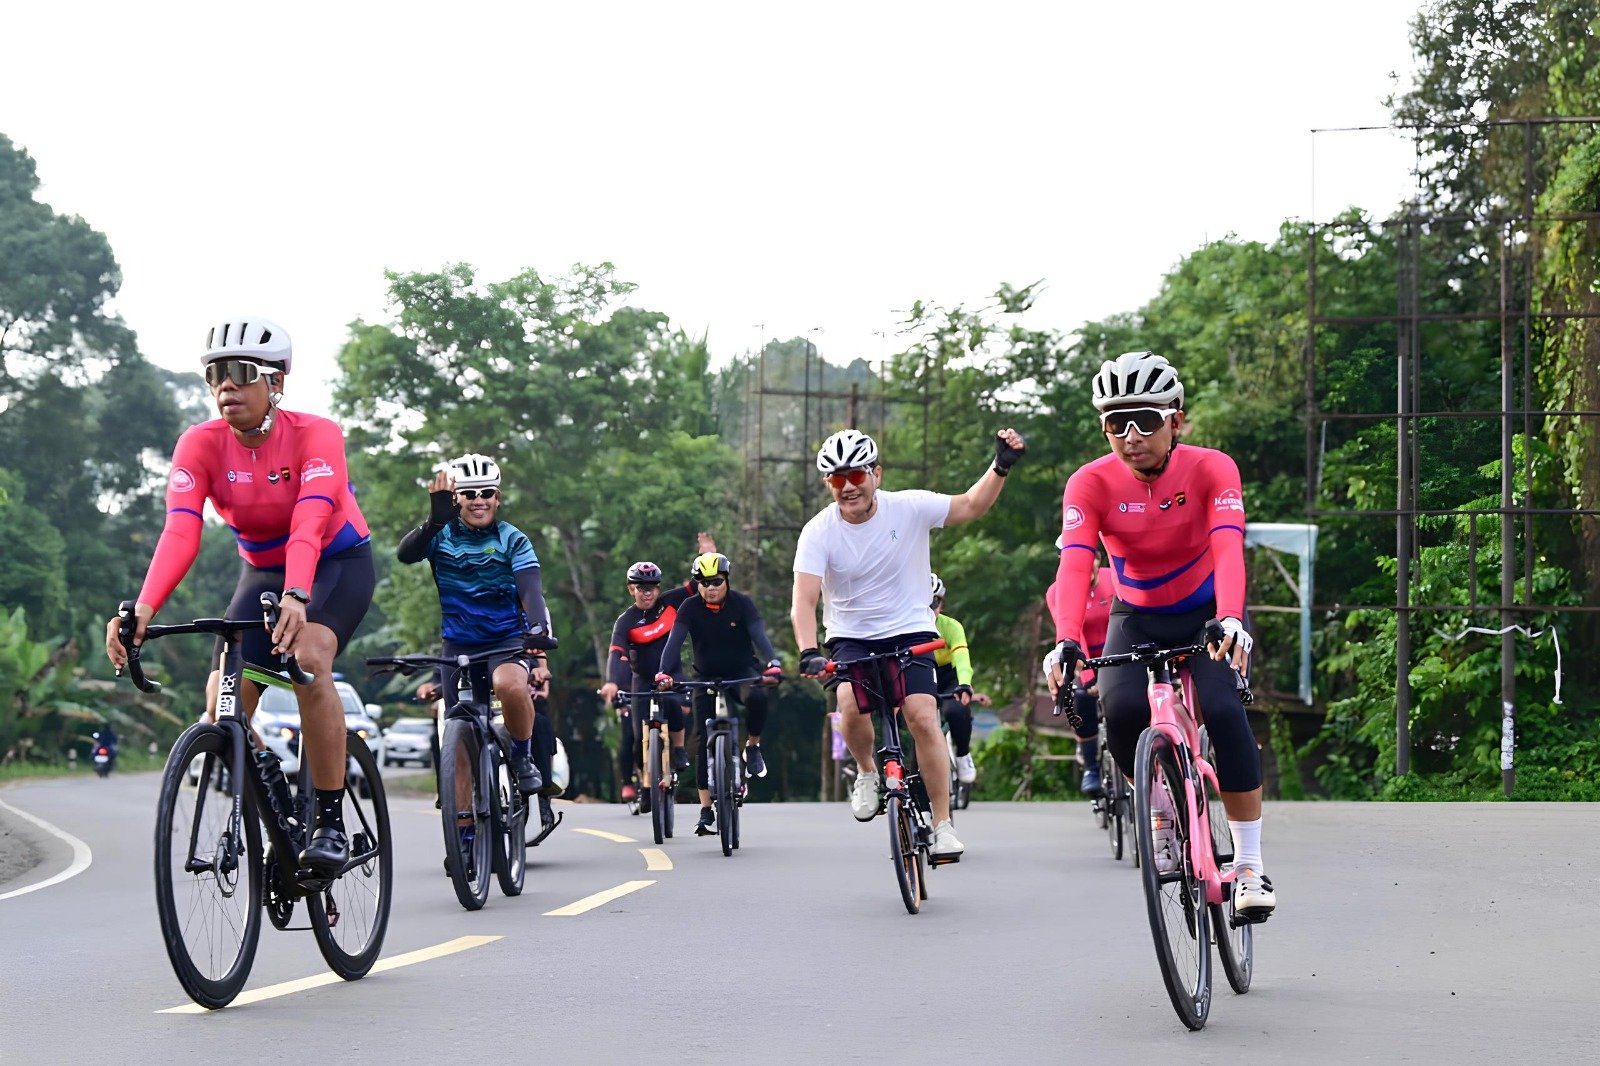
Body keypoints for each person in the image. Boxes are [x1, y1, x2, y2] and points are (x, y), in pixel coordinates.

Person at [105, 318, 374, 878]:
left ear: (276, 382)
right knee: (222, 702)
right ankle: (273, 793)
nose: (225, 386)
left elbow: (310, 520)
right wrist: (143, 610)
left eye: (240, 373)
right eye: (214, 375)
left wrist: (299, 592)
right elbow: (181, 531)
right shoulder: (199, 444)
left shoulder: (317, 434)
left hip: (334, 564)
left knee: (307, 660)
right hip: (262, 572)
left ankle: (328, 821)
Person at [1045, 350, 1273, 916]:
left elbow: (1227, 544)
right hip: (1136, 615)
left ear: (1177, 418)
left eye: (1145, 419)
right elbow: (1075, 562)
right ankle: (1161, 811)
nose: (1130, 435)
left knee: (1222, 710)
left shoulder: (1212, 467)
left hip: (1206, 612)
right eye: (1114, 422)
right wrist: (1066, 637)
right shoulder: (1089, 482)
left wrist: (1233, 617)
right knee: (1120, 714)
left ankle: (1248, 865)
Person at [793, 426, 1026, 860]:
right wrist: (808, 650)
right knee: (848, 706)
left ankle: (942, 824)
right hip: (851, 637)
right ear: (828, 484)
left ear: (876, 474)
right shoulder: (817, 532)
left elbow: (972, 505)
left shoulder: (910, 508)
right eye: (836, 480)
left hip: (911, 629)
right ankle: (866, 773)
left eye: (856, 476)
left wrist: (1001, 466)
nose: (847, 488)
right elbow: (803, 601)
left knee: (922, 717)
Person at [397, 452, 556, 830]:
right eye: (469, 494)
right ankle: (465, 836)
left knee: (509, 684)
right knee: (459, 744)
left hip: (505, 640)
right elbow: (406, 554)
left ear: (498, 497)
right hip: (458, 645)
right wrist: (433, 522)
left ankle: (520, 755)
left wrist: (537, 631)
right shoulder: (441, 535)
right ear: (456, 499)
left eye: (487, 492)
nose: (478, 500)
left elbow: (531, 590)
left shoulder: (512, 539)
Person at [656, 552, 784, 837]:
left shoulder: (742, 604)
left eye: (716, 581)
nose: (710, 587)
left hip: (742, 673)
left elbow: (760, 636)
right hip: (705, 677)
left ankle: (752, 746)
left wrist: (773, 663)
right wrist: (664, 672)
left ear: (726, 580)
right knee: (703, 737)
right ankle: (705, 809)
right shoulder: (689, 608)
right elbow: (674, 642)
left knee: (758, 697)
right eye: (703, 582)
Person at [599, 560, 694, 809]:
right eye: (641, 587)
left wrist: (708, 555)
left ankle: (679, 750)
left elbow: (698, 585)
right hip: (641, 680)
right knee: (636, 734)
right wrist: (612, 682)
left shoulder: (671, 604)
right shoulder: (625, 621)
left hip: (672, 674)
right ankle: (646, 780)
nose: (647, 591)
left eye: (651, 586)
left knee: (675, 705)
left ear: (659, 588)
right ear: (631, 589)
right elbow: (617, 653)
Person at [1044, 554, 1115, 795]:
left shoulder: (1113, 577)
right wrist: (1088, 678)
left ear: (1098, 560)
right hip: (1083, 659)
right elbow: (1072, 635)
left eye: (1091, 561)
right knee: (1082, 698)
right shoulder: (1057, 591)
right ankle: (1091, 767)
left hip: (1117, 653)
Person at [929, 572, 979, 786]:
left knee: (956, 710)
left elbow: (961, 658)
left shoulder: (951, 627)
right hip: (921, 673)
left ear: (941, 603)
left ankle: (963, 754)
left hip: (949, 675)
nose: (930, 609)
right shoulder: (905, 627)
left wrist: (964, 683)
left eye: (934, 603)